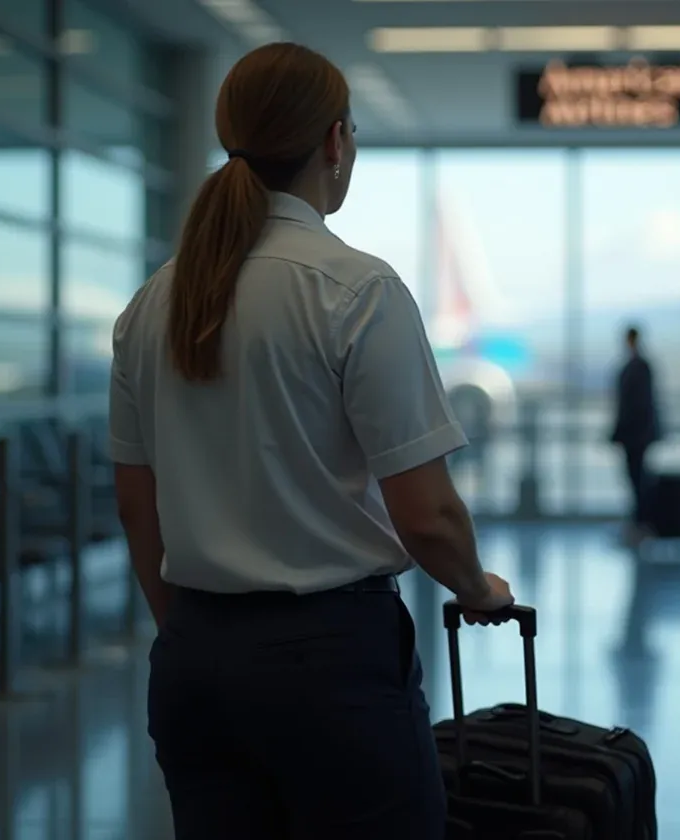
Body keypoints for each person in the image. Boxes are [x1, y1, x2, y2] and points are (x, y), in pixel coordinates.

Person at [108, 43, 514, 840]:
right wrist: (476, 589)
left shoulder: (153, 301)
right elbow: (426, 513)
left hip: (195, 660)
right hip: (329, 663)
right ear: (334, 142)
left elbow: (135, 503)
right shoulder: (357, 290)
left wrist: (189, 630)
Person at [609, 325, 660, 544]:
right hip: (636, 435)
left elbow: (636, 406)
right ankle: (640, 523)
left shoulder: (638, 368)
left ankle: (642, 524)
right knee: (635, 478)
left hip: (636, 436)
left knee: (638, 478)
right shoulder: (638, 367)